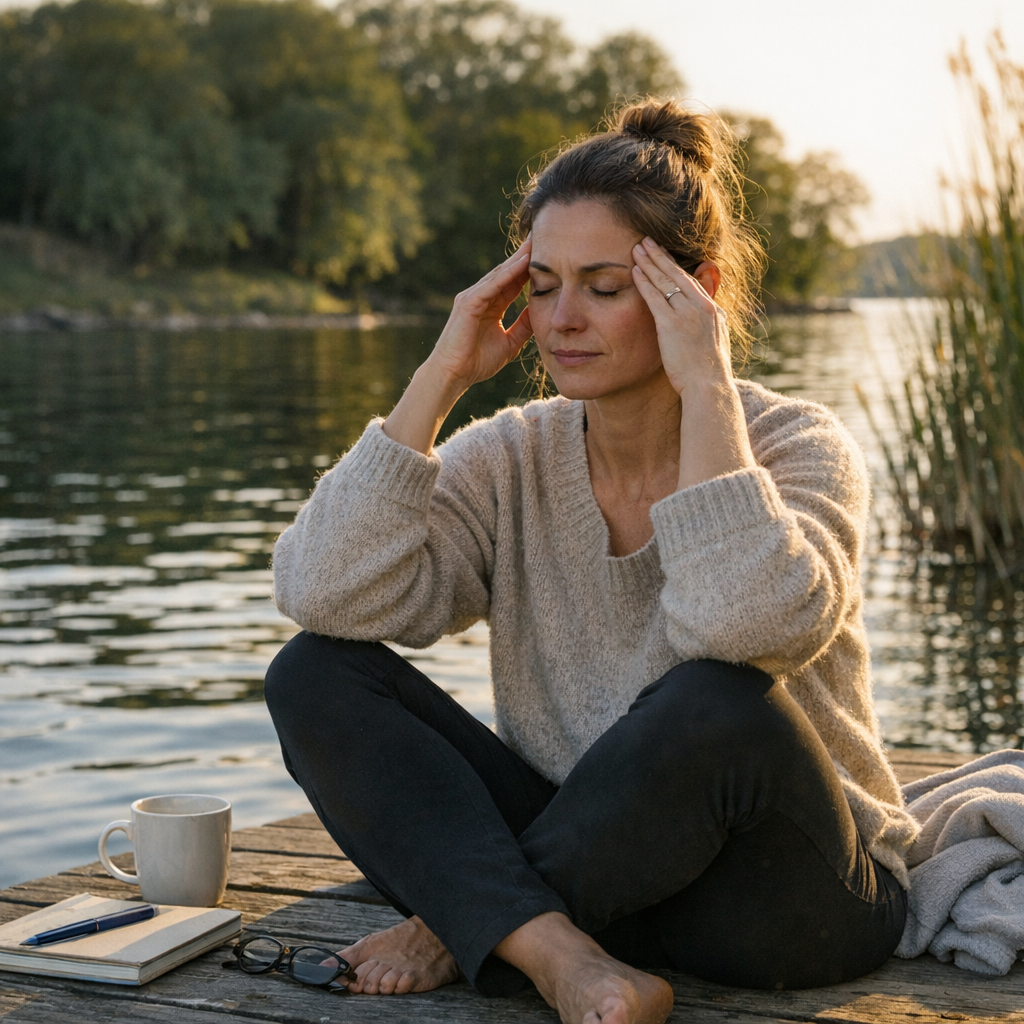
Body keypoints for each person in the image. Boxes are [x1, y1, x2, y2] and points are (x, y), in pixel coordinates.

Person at [264, 98, 919, 1024]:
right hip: (599, 882)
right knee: (315, 674)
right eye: (543, 284)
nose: (564, 319)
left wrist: (706, 388)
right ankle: (559, 954)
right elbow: (323, 592)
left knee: (715, 699)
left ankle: (473, 924)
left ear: (697, 293)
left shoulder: (796, 445)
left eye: (605, 287)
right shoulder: (511, 457)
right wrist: (440, 376)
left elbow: (741, 630)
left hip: (787, 901)